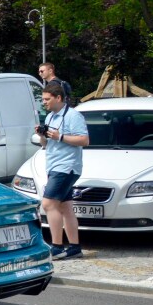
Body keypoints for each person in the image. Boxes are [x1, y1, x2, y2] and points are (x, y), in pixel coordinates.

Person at [39, 83, 88, 260]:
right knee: (66, 207)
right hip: (53, 165)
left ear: (58, 98)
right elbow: (47, 145)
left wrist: (60, 136)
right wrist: (42, 136)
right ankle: (75, 247)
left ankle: (57, 247)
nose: (44, 102)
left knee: (48, 204)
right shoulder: (50, 117)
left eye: (47, 99)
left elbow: (84, 140)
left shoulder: (73, 115)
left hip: (66, 166)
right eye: (43, 99)